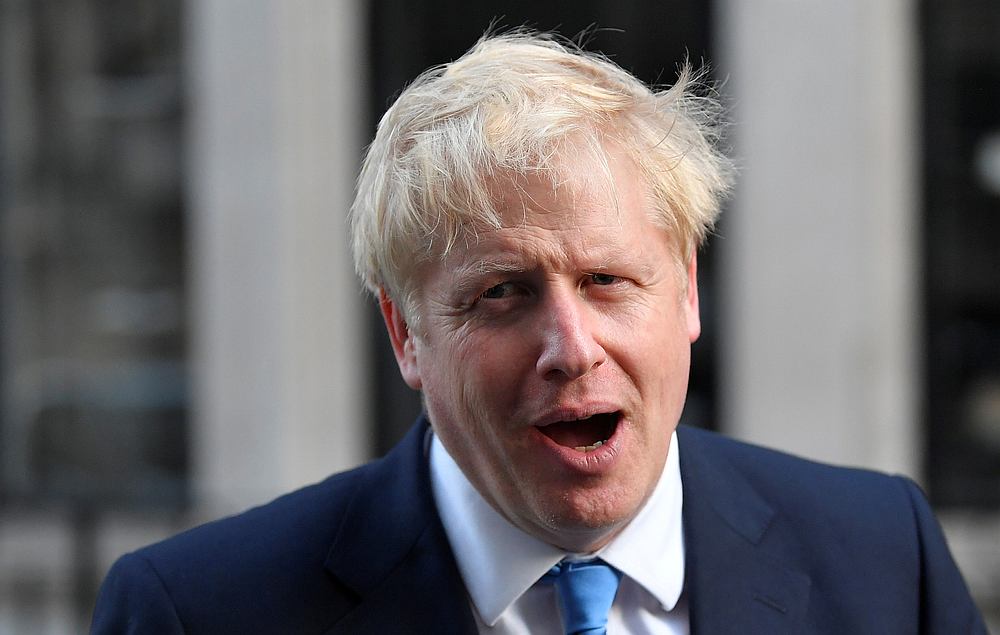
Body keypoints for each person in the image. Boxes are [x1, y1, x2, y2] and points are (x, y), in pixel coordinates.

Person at [91, 32, 987, 634]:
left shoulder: (882, 560)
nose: (571, 346)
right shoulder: (196, 610)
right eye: (503, 294)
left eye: (608, 280)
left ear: (685, 292)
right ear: (405, 335)